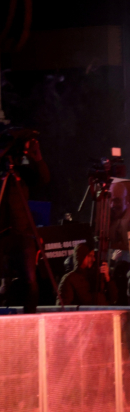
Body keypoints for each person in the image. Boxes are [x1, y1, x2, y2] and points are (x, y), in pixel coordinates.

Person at [0, 134, 49, 313]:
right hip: (3, 231)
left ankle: (30, 319)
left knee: (31, 280)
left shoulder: (22, 169)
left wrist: (36, 155)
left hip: (23, 232)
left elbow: (43, 178)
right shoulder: (3, 169)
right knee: (3, 281)